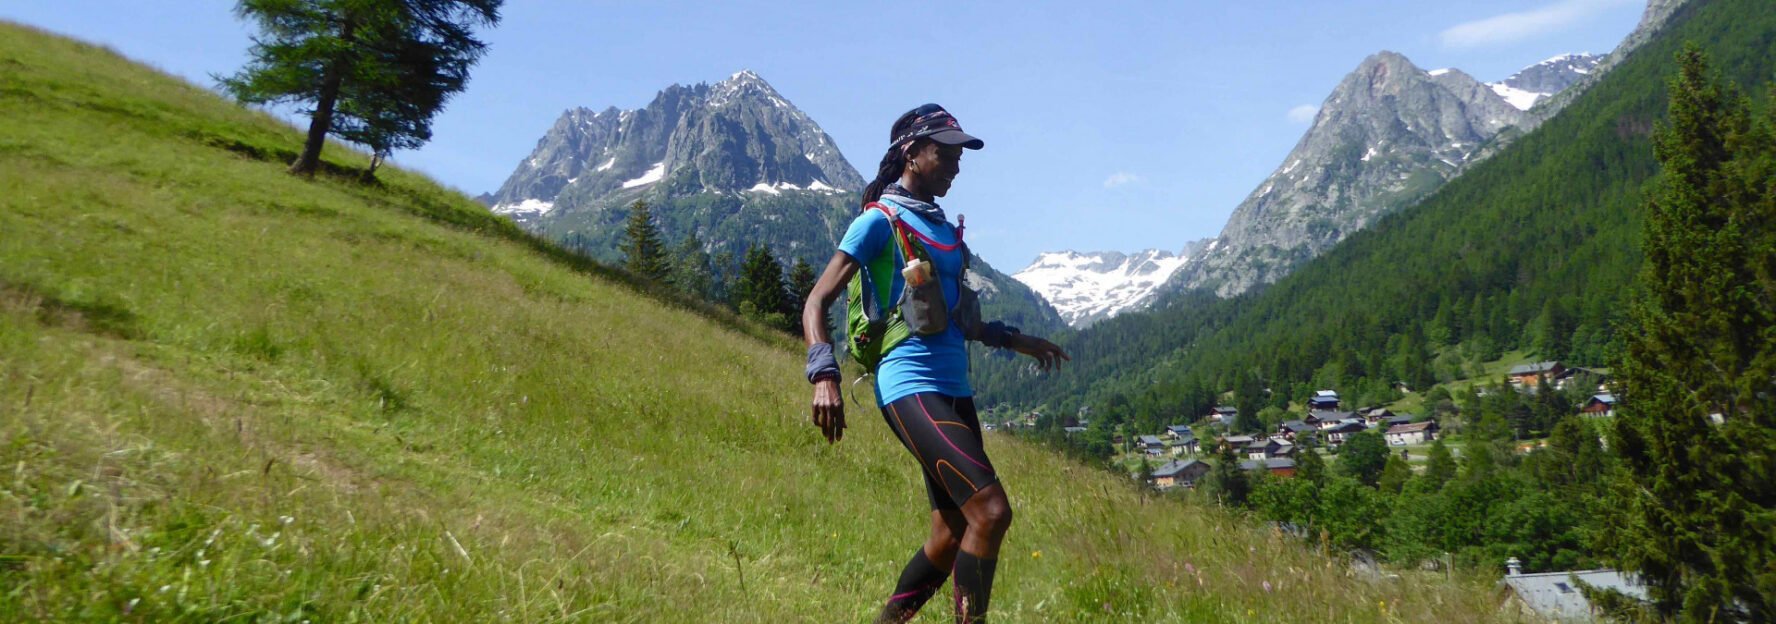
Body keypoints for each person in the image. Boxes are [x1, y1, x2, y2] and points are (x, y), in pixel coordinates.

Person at [801, 104, 1070, 624]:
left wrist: (1018, 340)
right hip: (909, 383)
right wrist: (824, 374)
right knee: (991, 512)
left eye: (958, 156)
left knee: (949, 537)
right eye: (944, 153)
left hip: (954, 388)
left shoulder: (942, 226)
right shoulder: (877, 221)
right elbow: (816, 301)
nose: (955, 165)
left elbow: (958, 321)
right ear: (911, 153)